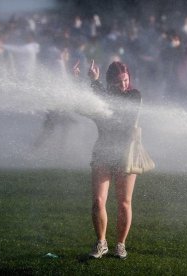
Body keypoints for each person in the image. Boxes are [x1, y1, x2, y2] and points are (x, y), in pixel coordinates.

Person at [74, 59, 141, 259]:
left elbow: (119, 114)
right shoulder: (102, 96)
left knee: (124, 203)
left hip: (126, 153)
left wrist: (95, 84)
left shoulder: (134, 95)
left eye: (126, 80)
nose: (124, 85)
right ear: (110, 83)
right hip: (102, 151)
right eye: (119, 82)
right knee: (98, 201)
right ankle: (101, 243)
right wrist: (82, 81)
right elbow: (82, 105)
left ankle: (120, 245)